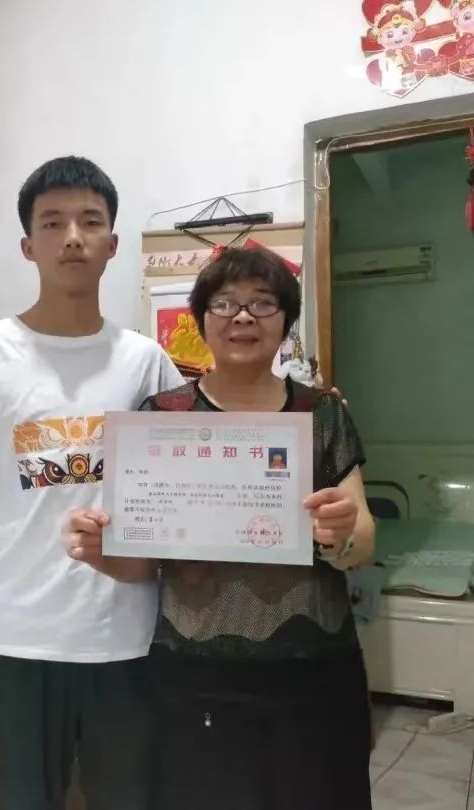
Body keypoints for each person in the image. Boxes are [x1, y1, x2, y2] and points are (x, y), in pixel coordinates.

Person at [64, 246, 376, 810]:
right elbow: (142, 563)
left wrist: (342, 532)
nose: (243, 318)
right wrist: (100, 551)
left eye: (263, 304)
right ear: (202, 319)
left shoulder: (322, 414)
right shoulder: (162, 418)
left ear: (286, 320)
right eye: (226, 304)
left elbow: (362, 543)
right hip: (192, 673)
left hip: (313, 667)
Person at [0, 156, 183, 810]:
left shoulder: (146, 362)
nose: (72, 237)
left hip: (125, 634)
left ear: (112, 245)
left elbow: (178, 486)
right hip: (20, 635)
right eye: (52, 222)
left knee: (130, 798)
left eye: (90, 221)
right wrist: (22, 540)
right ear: (27, 245)